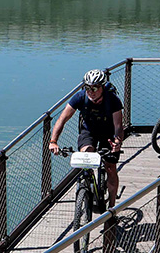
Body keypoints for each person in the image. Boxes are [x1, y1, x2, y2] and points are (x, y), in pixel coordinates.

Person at [49, 69, 124, 205]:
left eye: (94, 88)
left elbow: (118, 126)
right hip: (89, 131)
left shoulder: (113, 100)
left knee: (110, 167)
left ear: (102, 87)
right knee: (86, 155)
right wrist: (53, 141)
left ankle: (112, 207)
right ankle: (87, 186)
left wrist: (117, 142)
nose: (90, 91)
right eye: (87, 87)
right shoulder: (80, 97)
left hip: (109, 133)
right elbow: (62, 119)